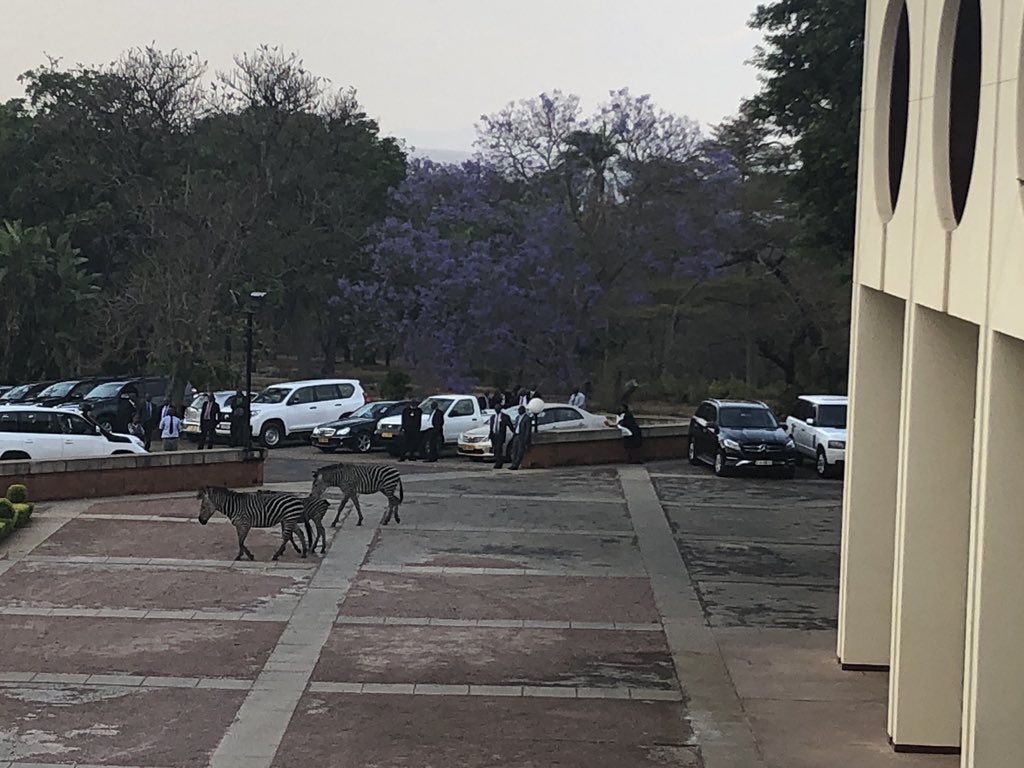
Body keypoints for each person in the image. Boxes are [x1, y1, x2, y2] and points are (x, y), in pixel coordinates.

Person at [508, 405, 532, 470]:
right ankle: (513, 463)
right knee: (514, 451)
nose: (519, 411)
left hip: (522, 436)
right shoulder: (517, 417)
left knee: (520, 451)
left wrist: (526, 439)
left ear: (523, 410)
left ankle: (516, 465)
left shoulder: (527, 418)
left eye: (520, 410)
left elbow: (527, 430)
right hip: (516, 435)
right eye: (518, 410)